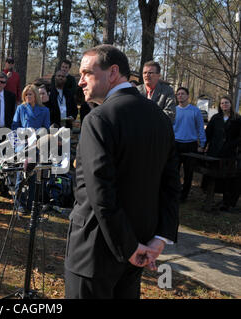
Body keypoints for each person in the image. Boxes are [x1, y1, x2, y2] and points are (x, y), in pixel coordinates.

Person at [64, 44, 181, 299]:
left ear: (113, 72)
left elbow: (100, 192)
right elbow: (172, 187)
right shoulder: (160, 118)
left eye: (87, 73)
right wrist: (159, 239)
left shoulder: (98, 119)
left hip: (94, 254)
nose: (80, 81)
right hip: (139, 249)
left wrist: (128, 247)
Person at [12, 84, 50, 213]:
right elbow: (14, 126)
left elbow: (47, 128)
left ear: (35, 96)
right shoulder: (21, 108)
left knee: (34, 178)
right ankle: (19, 204)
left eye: (30, 94)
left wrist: (38, 133)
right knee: (21, 177)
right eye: (26, 94)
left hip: (37, 146)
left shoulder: (44, 110)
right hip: (23, 146)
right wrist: (24, 131)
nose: (28, 96)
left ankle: (32, 204)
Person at [204, 96, 241, 213]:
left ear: (231, 104)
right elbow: (208, 134)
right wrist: (203, 146)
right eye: (222, 103)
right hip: (214, 152)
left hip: (229, 154)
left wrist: (231, 145)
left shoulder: (237, 119)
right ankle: (209, 200)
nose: (224, 105)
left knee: (228, 180)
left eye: (226, 102)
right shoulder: (215, 118)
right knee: (211, 177)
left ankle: (226, 203)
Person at [173, 87, 206, 202]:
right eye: (178, 94)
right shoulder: (174, 110)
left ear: (188, 96)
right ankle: (174, 193)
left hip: (190, 145)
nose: (180, 96)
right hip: (175, 145)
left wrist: (202, 144)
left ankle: (184, 196)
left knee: (188, 172)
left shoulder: (195, 111)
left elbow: (200, 129)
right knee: (173, 171)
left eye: (182, 94)